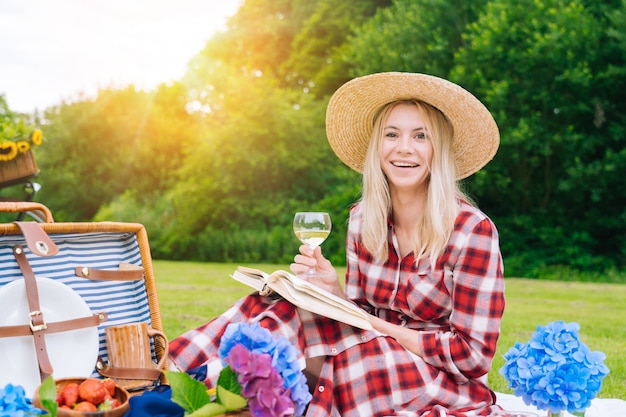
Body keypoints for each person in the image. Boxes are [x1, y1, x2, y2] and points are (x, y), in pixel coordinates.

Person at [168, 72, 506, 417]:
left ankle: (205, 393)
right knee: (279, 302)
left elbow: (473, 356)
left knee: (344, 352)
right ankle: (171, 376)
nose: (404, 147)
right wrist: (335, 294)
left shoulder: (471, 231)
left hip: (438, 380)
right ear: (378, 146)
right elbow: (358, 316)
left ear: (439, 150)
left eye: (421, 136)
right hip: (371, 351)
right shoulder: (364, 220)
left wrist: (379, 329)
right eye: (392, 134)